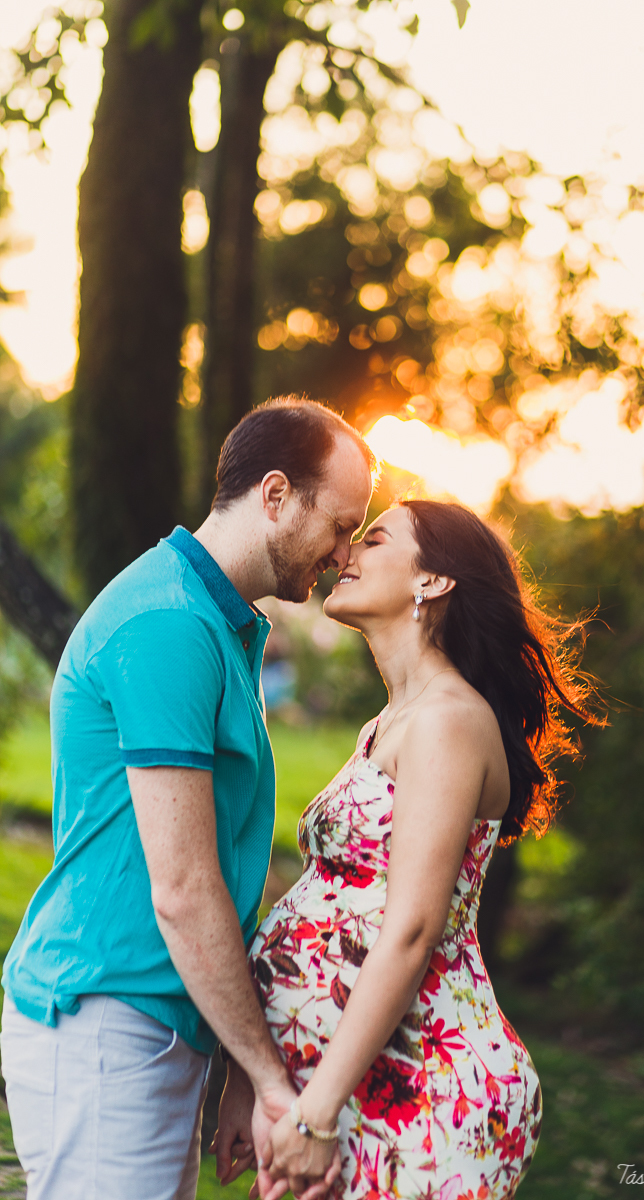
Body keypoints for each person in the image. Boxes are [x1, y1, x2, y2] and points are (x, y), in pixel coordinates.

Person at [0, 397, 374, 1200]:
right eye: (341, 526)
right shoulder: (168, 623)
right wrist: (270, 1082)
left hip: (154, 1022)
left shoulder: (217, 623)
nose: (345, 554)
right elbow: (184, 888)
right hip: (107, 1021)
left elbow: (217, 875)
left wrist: (235, 1068)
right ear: (275, 495)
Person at [214, 498, 595, 1200]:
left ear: (433, 580)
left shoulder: (449, 720)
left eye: (375, 539)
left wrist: (315, 1114)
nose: (345, 553)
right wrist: (255, 1079)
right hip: (353, 1082)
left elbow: (414, 929)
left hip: (427, 1091)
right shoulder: (391, 722)